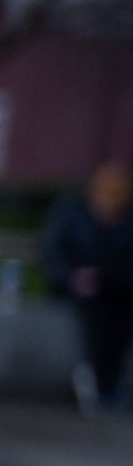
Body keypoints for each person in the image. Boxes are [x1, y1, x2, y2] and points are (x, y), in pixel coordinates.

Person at [42, 160, 133, 413]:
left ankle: (111, 382)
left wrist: (107, 275)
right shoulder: (72, 215)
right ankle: (94, 377)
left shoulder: (128, 222)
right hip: (76, 288)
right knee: (93, 316)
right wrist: (73, 277)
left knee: (120, 318)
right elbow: (53, 253)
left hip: (117, 289)